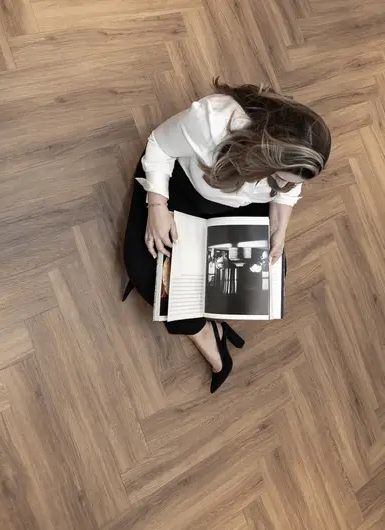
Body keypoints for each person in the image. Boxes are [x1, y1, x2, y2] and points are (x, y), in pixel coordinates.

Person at [123, 80, 331, 393]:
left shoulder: (289, 168)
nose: (286, 187)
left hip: (241, 206)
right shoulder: (212, 122)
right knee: (147, 271)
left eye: (291, 182)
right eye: (280, 178)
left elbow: (289, 190)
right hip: (184, 191)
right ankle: (206, 334)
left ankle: (207, 324)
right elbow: (159, 145)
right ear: (267, 153)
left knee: (262, 278)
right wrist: (156, 207)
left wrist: (280, 227)